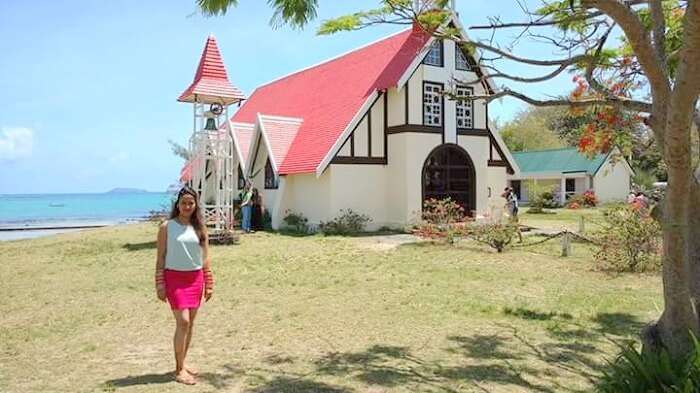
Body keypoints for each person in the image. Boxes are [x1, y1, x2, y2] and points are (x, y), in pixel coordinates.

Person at [155, 187, 214, 385]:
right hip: (174, 279)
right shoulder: (166, 227)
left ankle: (183, 363)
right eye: (183, 203)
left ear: (195, 205)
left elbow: (205, 258)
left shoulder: (200, 227)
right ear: (177, 205)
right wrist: (159, 283)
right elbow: (161, 257)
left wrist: (209, 283)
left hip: (195, 279)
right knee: (183, 322)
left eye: (191, 203)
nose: (187, 206)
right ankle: (179, 370)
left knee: (190, 325)